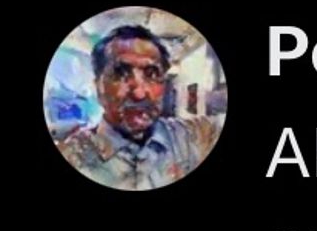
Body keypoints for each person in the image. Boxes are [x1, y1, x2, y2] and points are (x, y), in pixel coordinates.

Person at [56, 25, 219, 190]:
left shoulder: (190, 137)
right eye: (120, 73)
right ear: (98, 87)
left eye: (152, 74)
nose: (139, 93)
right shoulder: (73, 157)